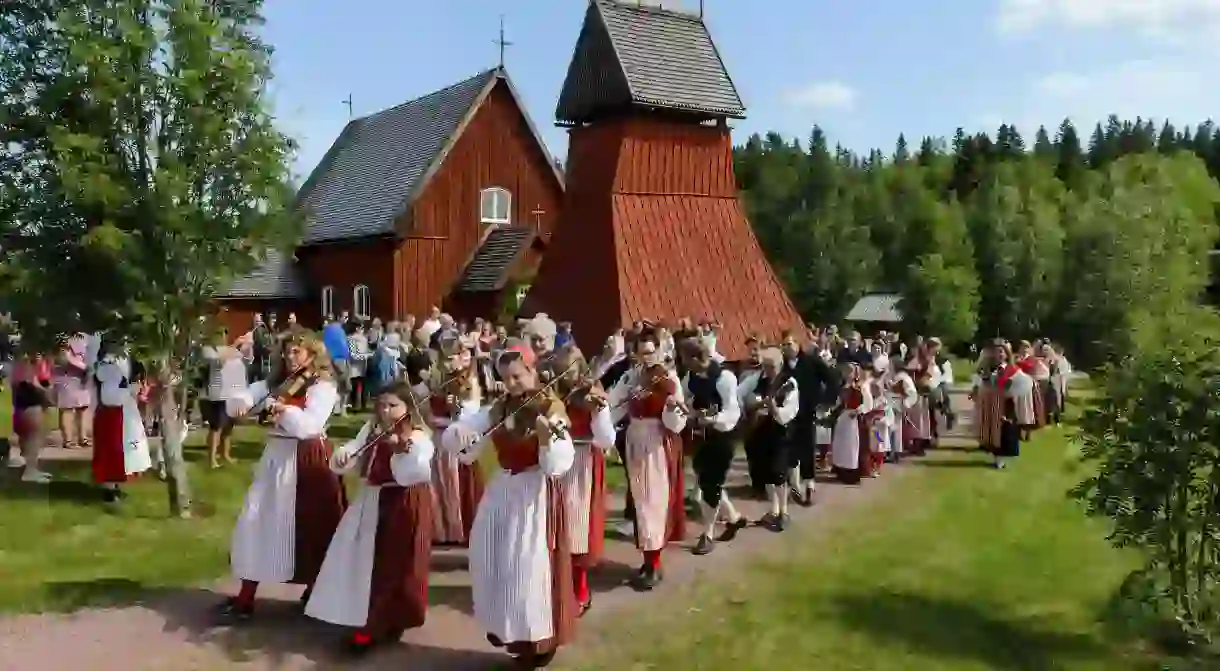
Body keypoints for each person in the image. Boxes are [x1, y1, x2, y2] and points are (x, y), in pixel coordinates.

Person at [441, 343, 577, 668]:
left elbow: (559, 463)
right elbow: (468, 436)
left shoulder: (550, 407)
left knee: (527, 567)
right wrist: (460, 433)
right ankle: (509, 630)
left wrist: (547, 439)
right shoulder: (501, 406)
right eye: (506, 377)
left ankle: (537, 639)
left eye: (517, 376)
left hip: (534, 492)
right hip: (504, 487)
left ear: (533, 372)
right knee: (491, 555)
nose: (512, 384)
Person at [216, 333, 348, 623]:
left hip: (307, 458)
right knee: (257, 521)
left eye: (298, 352)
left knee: (313, 525)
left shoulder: (323, 386)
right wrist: (239, 402)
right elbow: (248, 394)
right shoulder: (278, 381)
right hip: (276, 455)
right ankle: (246, 596)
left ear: (313, 354)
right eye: (287, 352)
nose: (291, 358)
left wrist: (284, 409)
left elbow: (310, 426)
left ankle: (316, 591)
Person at [306, 381, 435, 655]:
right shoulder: (373, 428)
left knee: (394, 565)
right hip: (372, 500)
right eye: (382, 405)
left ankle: (376, 626)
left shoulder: (418, 437)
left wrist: (402, 450)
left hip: (403, 503)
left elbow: (415, 472)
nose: (385, 411)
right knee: (367, 562)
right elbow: (354, 448)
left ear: (409, 408)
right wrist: (344, 457)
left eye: (393, 406)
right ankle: (370, 618)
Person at [608, 336, 686, 591]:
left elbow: (677, 423)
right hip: (634, 439)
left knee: (654, 500)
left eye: (651, 352)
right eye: (643, 353)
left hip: (656, 442)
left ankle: (654, 563)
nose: (648, 358)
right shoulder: (630, 377)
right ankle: (648, 560)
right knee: (639, 501)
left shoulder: (669, 379)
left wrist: (672, 408)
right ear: (636, 354)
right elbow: (613, 405)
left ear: (659, 351)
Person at [551, 347, 615, 616]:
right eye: (560, 372)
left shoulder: (593, 394)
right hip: (555, 462)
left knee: (577, 528)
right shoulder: (551, 394)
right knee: (555, 526)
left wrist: (599, 413)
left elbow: (606, 439)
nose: (566, 378)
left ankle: (581, 588)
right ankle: (558, 587)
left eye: (571, 371)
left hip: (582, 461)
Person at [680, 339, 747, 555]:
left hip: (723, 437)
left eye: (685, 358)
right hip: (700, 436)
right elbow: (683, 398)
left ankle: (707, 534)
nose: (682, 362)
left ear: (697, 358)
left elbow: (732, 411)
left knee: (711, 483)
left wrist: (713, 419)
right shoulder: (689, 377)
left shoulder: (725, 378)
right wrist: (687, 409)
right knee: (707, 480)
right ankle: (734, 518)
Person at [739, 347, 800, 531]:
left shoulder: (789, 383)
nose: (768, 370)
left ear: (780, 364)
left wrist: (772, 407)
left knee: (778, 472)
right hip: (760, 430)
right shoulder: (757, 379)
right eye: (765, 365)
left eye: (771, 366)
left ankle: (784, 511)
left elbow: (787, 414)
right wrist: (755, 404)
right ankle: (773, 509)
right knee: (766, 472)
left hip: (780, 432)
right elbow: (738, 393)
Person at [92, 336, 151, 502]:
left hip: (122, 410)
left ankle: (115, 484)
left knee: (121, 451)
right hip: (113, 413)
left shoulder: (120, 360)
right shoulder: (108, 365)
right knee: (112, 450)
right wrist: (130, 390)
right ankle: (109, 488)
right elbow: (110, 394)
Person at [200, 331, 246, 468]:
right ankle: (212, 459)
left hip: (231, 394)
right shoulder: (208, 350)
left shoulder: (229, 350)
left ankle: (225, 454)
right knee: (216, 427)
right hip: (215, 395)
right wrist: (235, 345)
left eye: (225, 333)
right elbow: (220, 362)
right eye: (220, 334)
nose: (223, 337)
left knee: (228, 428)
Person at [9, 352, 53, 482]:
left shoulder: (22, 361)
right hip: (29, 400)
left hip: (26, 401)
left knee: (32, 436)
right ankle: (30, 471)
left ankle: (32, 468)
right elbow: (32, 382)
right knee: (33, 437)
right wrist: (48, 394)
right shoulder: (26, 362)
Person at [53, 332, 91, 450]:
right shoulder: (62, 336)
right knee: (67, 409)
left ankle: (82, 438)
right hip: (67, 379)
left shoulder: (83, 337)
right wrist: (86, 368)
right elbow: (64, 357)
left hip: (81, 379)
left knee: (83, 408)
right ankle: (68, 440)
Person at [322, 318, 351, 416]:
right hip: (339, 359)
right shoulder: (334, 330)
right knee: (343, 386)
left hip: (337, 360)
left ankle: (338, 409)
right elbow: (340, 347)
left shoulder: (334, 331)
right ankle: (340, 409)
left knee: (339, 386)